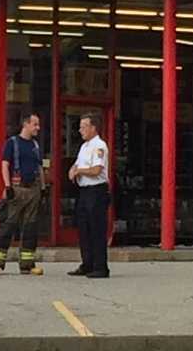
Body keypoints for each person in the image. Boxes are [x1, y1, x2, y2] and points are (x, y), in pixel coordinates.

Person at [0, 112, 46, 276]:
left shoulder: (35, 145)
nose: (38, 128)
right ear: (26, 124)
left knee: (30, 228)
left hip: (33, 189)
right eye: (35, 124)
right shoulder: (12, 143)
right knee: (8, 225)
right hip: (17, 188)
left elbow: (40, 167)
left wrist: (43, 188)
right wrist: (7, 187)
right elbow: (5, 165)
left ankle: (27, 265)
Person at [68, 113, 111, 279]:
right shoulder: (84, 147)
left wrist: (79, 171)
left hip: (97, 191)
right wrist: (73, 169)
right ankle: (87, 263)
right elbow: (78, 164)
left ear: (93, 127)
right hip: (84, 191)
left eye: (84, 127)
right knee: (84, 229)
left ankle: (101, 267)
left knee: (96, 230)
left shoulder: (99, 146)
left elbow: (96, 170)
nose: (80, 130)